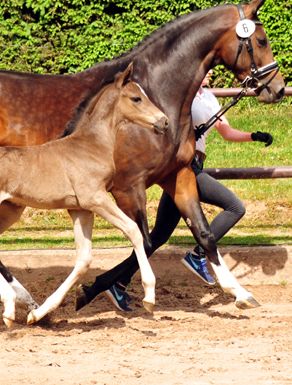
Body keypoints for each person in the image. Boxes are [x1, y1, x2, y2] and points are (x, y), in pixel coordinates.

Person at [106, 69, 273, 311]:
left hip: (189, 169)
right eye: (206, 69)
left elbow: (226, 132)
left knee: (158, 238)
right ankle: (197, 255)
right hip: (187, 167)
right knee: (236, 207)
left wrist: (253, 136)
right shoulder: (181, 97)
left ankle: (117, 283)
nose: (211, 71)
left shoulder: (209, 98)